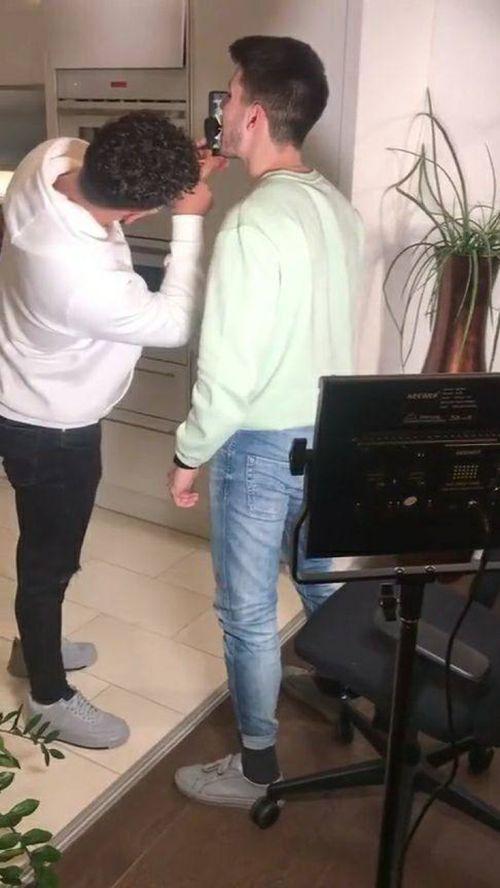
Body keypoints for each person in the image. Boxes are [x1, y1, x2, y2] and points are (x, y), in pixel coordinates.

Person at [169, 36, 364, 808]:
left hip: (259, 446)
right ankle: (348, 691)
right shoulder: (336, 208)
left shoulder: (252, 224)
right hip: (328, 433)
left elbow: (228, 374)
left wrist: (189, 452)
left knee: (247, 613)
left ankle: (256, 769)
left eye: (230, 96)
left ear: (250, 115)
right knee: (321, 579)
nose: (223, 111)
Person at [0, 111, 223, 749]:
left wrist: (177, 172)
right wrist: (190, 219)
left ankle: (35, 645)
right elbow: (173, 323)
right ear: (137, 213)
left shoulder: (51, 157)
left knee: (50, 551)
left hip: (26, 385)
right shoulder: (73, 274)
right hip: (50, 426)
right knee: (49, 562)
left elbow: (120, 175)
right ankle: (47, 694)